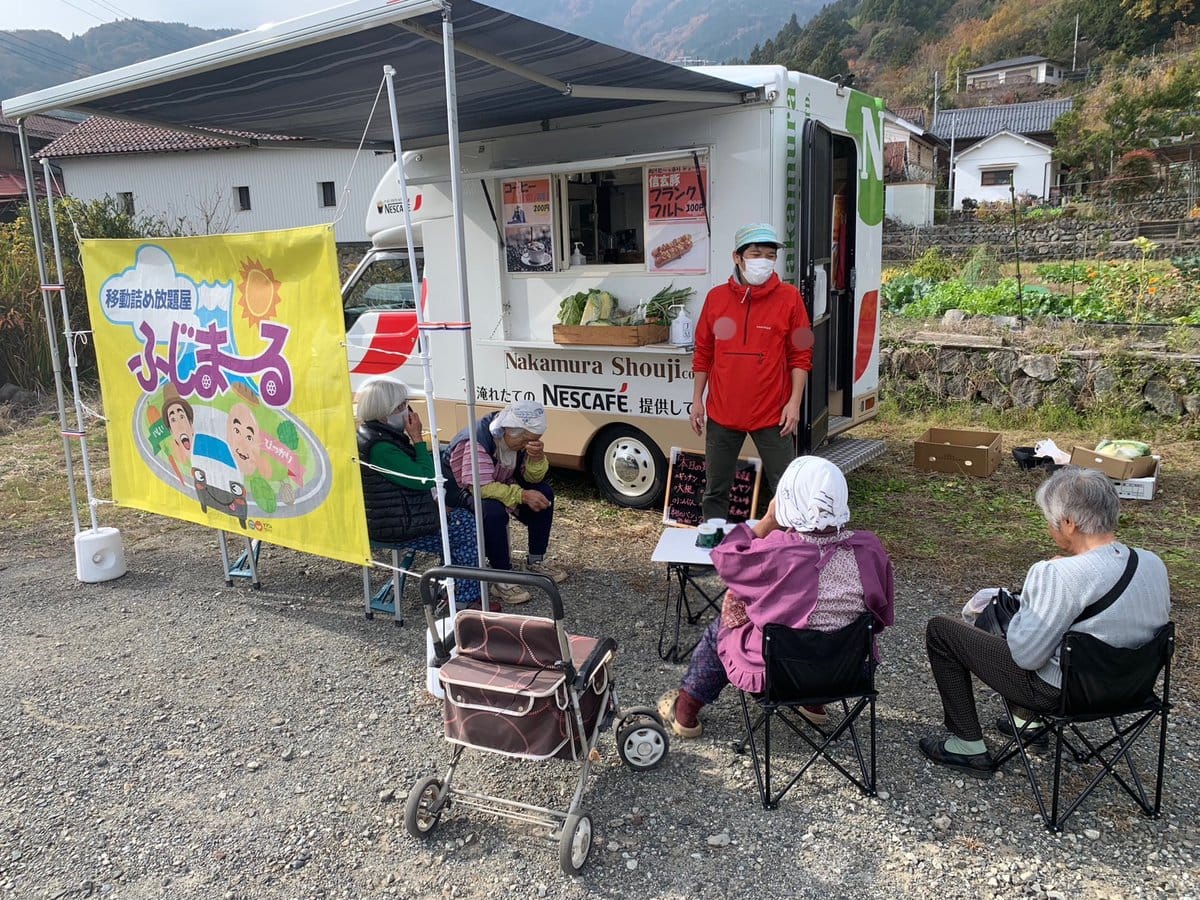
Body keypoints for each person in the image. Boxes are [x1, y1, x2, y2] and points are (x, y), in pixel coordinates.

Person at [919, 466, 1172, 778]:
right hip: (1132, 688)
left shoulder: (1057, 574)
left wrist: (1027, 604)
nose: (1049, 528)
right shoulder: (1154, 563)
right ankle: (1026, 723)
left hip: (1065, 695)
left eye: (1050, 520)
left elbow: (1026, 656)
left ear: (1068, 523)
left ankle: (968, 745)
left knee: (944, 630)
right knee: (1041, 629)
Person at [658, 456, 894, 738]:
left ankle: (685, 712)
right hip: (849, 672)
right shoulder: (868, 549)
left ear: (788, 499)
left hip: (782, 677)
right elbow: (881, 615)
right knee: (823, 632)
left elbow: (725, 558)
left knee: (719, 631)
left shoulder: (779, 551)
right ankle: (814, 704)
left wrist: (769, 520)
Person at [691, 222, 813, 521]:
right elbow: (704, 351)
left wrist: (794, 403)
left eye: (770, 255)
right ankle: (713, 549)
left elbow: (801, 354)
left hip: (773, 415)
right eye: (756, 253)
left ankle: (788, 552)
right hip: (722, 412)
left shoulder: (790, 298)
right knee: (715, 489)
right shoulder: (716, 298)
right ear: (737, 257)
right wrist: (697, 400)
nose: (764, 261)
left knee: (787, 488)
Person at [355, 377, 481, 607]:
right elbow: (423, 479)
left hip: (397, 515)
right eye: (401, 407)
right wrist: (417, 439)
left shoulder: (374, 434)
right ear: (384, 412)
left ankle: (449, 585)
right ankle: (462, 599)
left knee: (459, 518)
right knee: (465, 528)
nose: (407, 411)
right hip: (397, 526)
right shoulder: (381, 447)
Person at [447, 400, 566, 605]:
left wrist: (536, 459)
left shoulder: (516, 440)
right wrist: (521, 495)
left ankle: (536, 559)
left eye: (534, 441)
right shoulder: (478, 440)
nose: (527, 445)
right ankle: (501, 575)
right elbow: (480, 486)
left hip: (501, 482)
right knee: (493, 512)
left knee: (544, 492)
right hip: (460, 490)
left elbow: (532, 479)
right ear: (510, 432)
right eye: (525, 441)